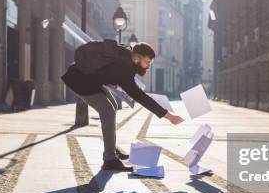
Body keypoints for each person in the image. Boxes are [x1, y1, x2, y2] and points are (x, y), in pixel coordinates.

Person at [62, 41, 184, 171]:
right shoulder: (124, 69)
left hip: (89, 78)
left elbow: (106, 69)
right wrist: (169, 116)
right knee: (108, 112)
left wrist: (109, 78)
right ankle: (109, 159)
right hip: (80, 81)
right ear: (137, 58)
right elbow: (141, 97)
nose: (148, 66)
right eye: (147, 62)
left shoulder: (126, 52)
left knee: (113, 106)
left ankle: (112, 149)